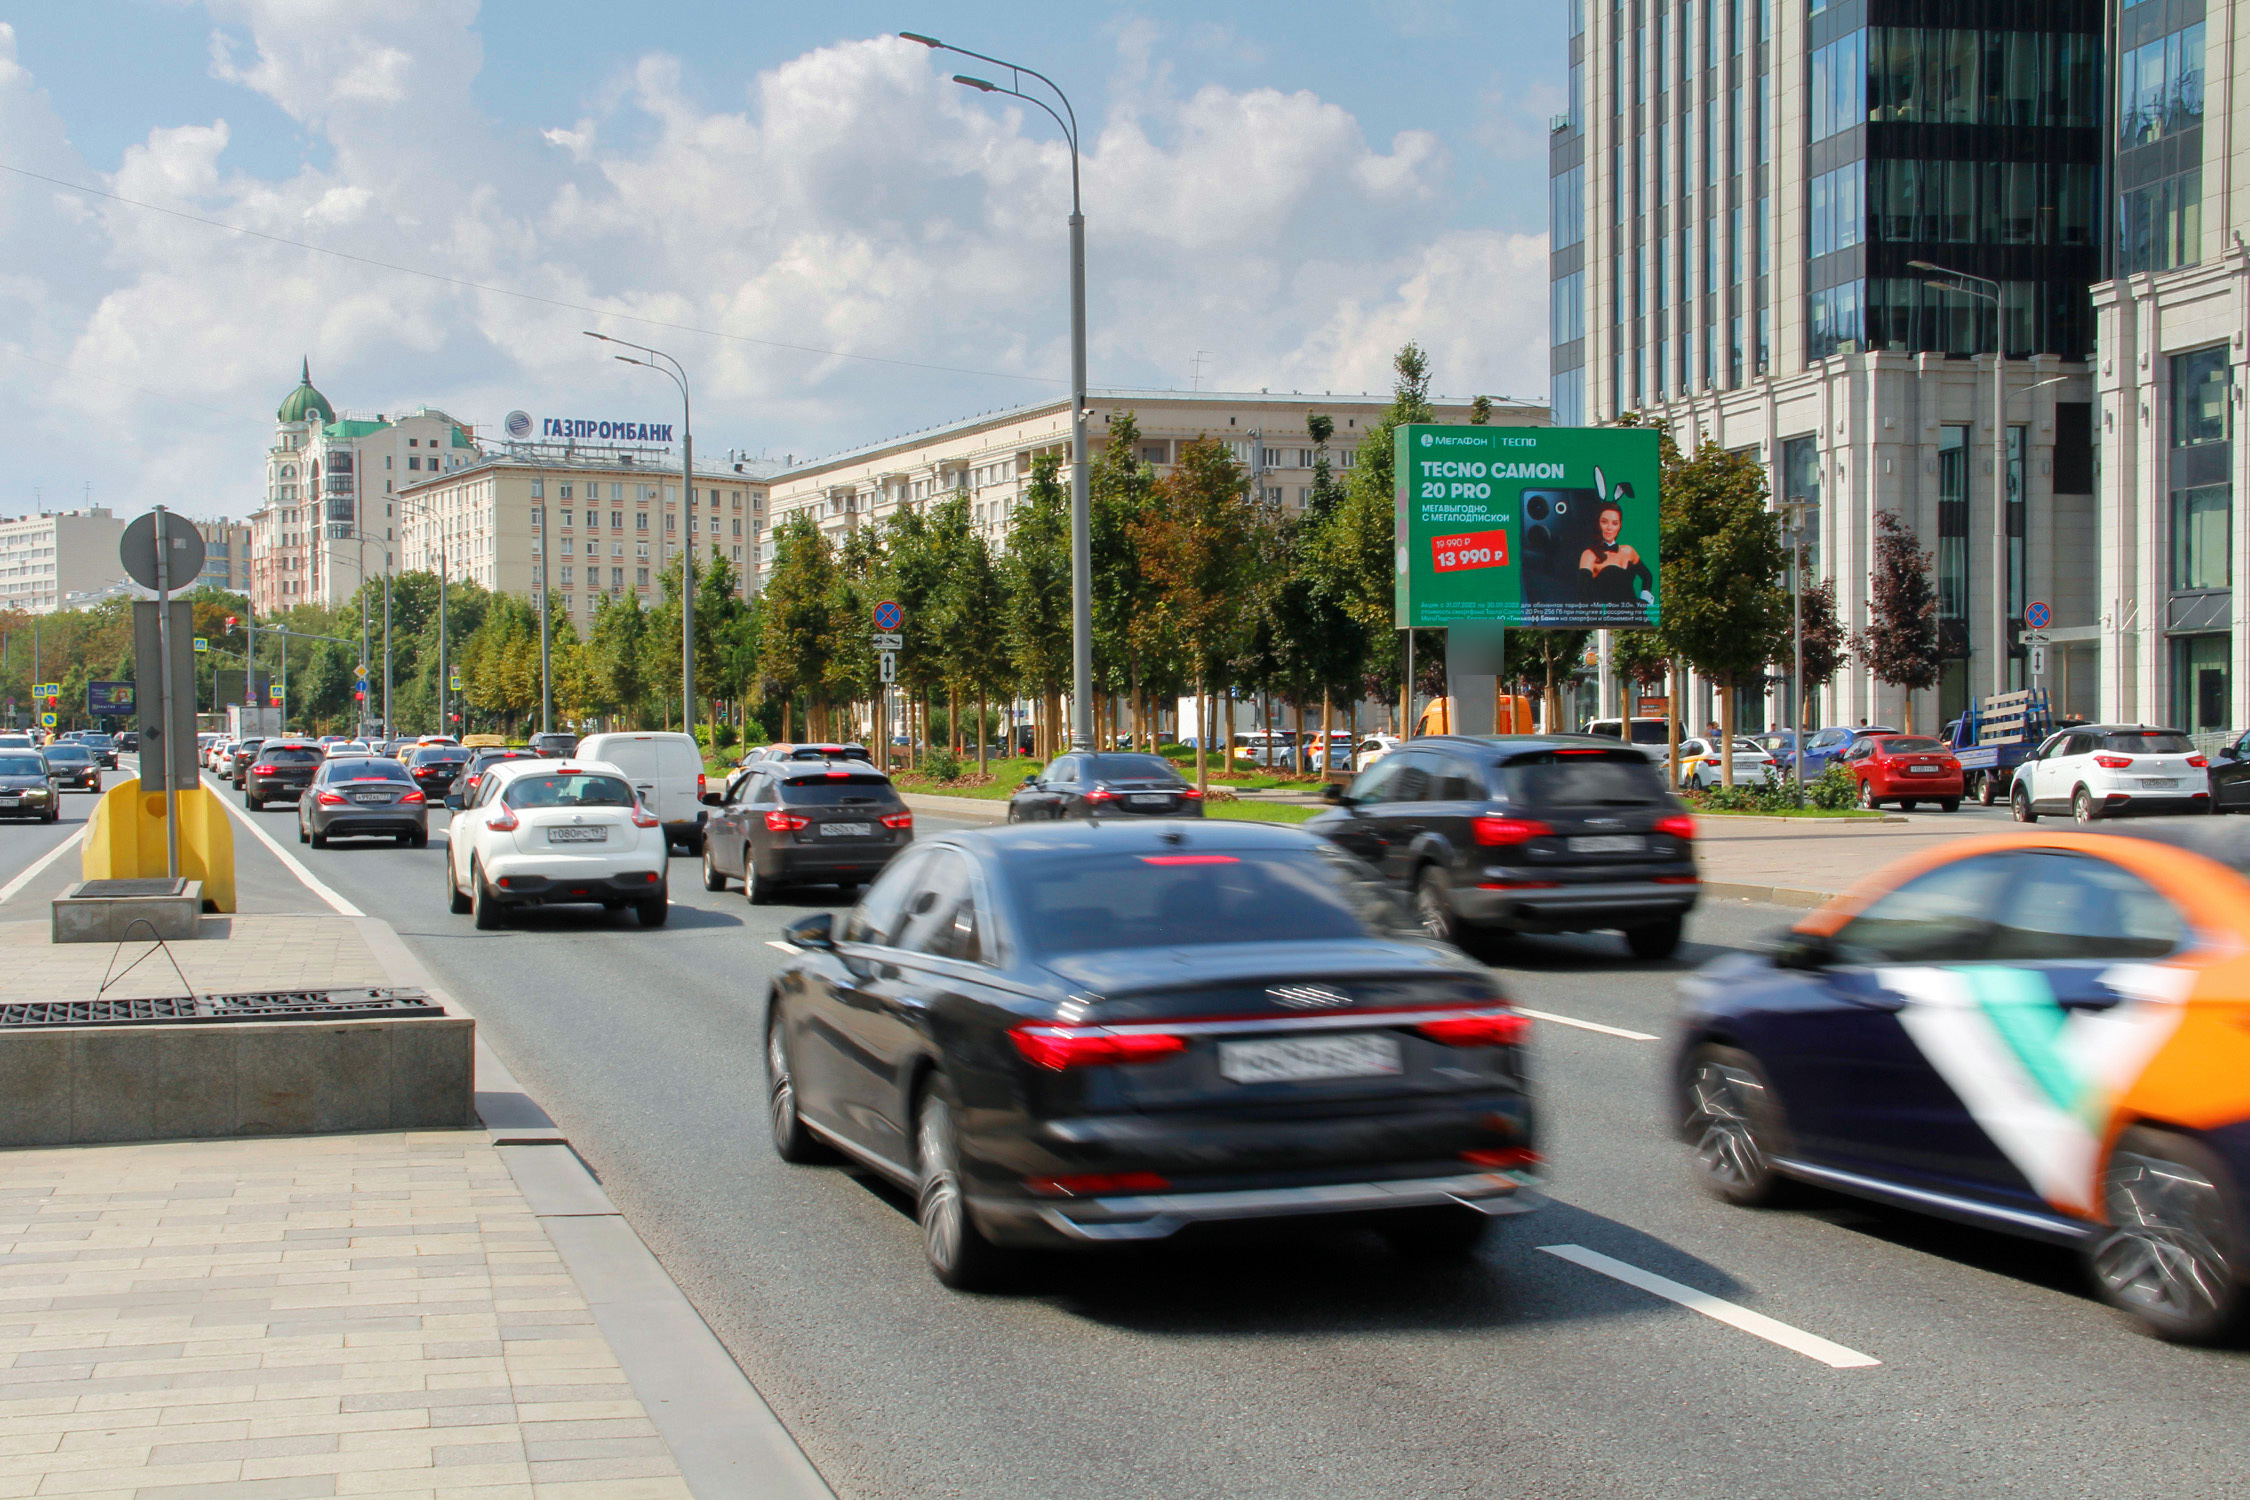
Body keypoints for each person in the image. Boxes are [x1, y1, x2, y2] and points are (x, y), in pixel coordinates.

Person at [1577, 499, 1654, 618]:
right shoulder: (1590, 554)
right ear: (1597, 523)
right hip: (1614, 619)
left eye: (1614, 523)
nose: (1609, 528)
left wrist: (1643, 602)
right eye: (1604, 522)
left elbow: (1647, 576)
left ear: (1620, 525)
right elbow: (1583, 593)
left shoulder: (1628, 550)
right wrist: (1595, 617)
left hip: (1639, 618)